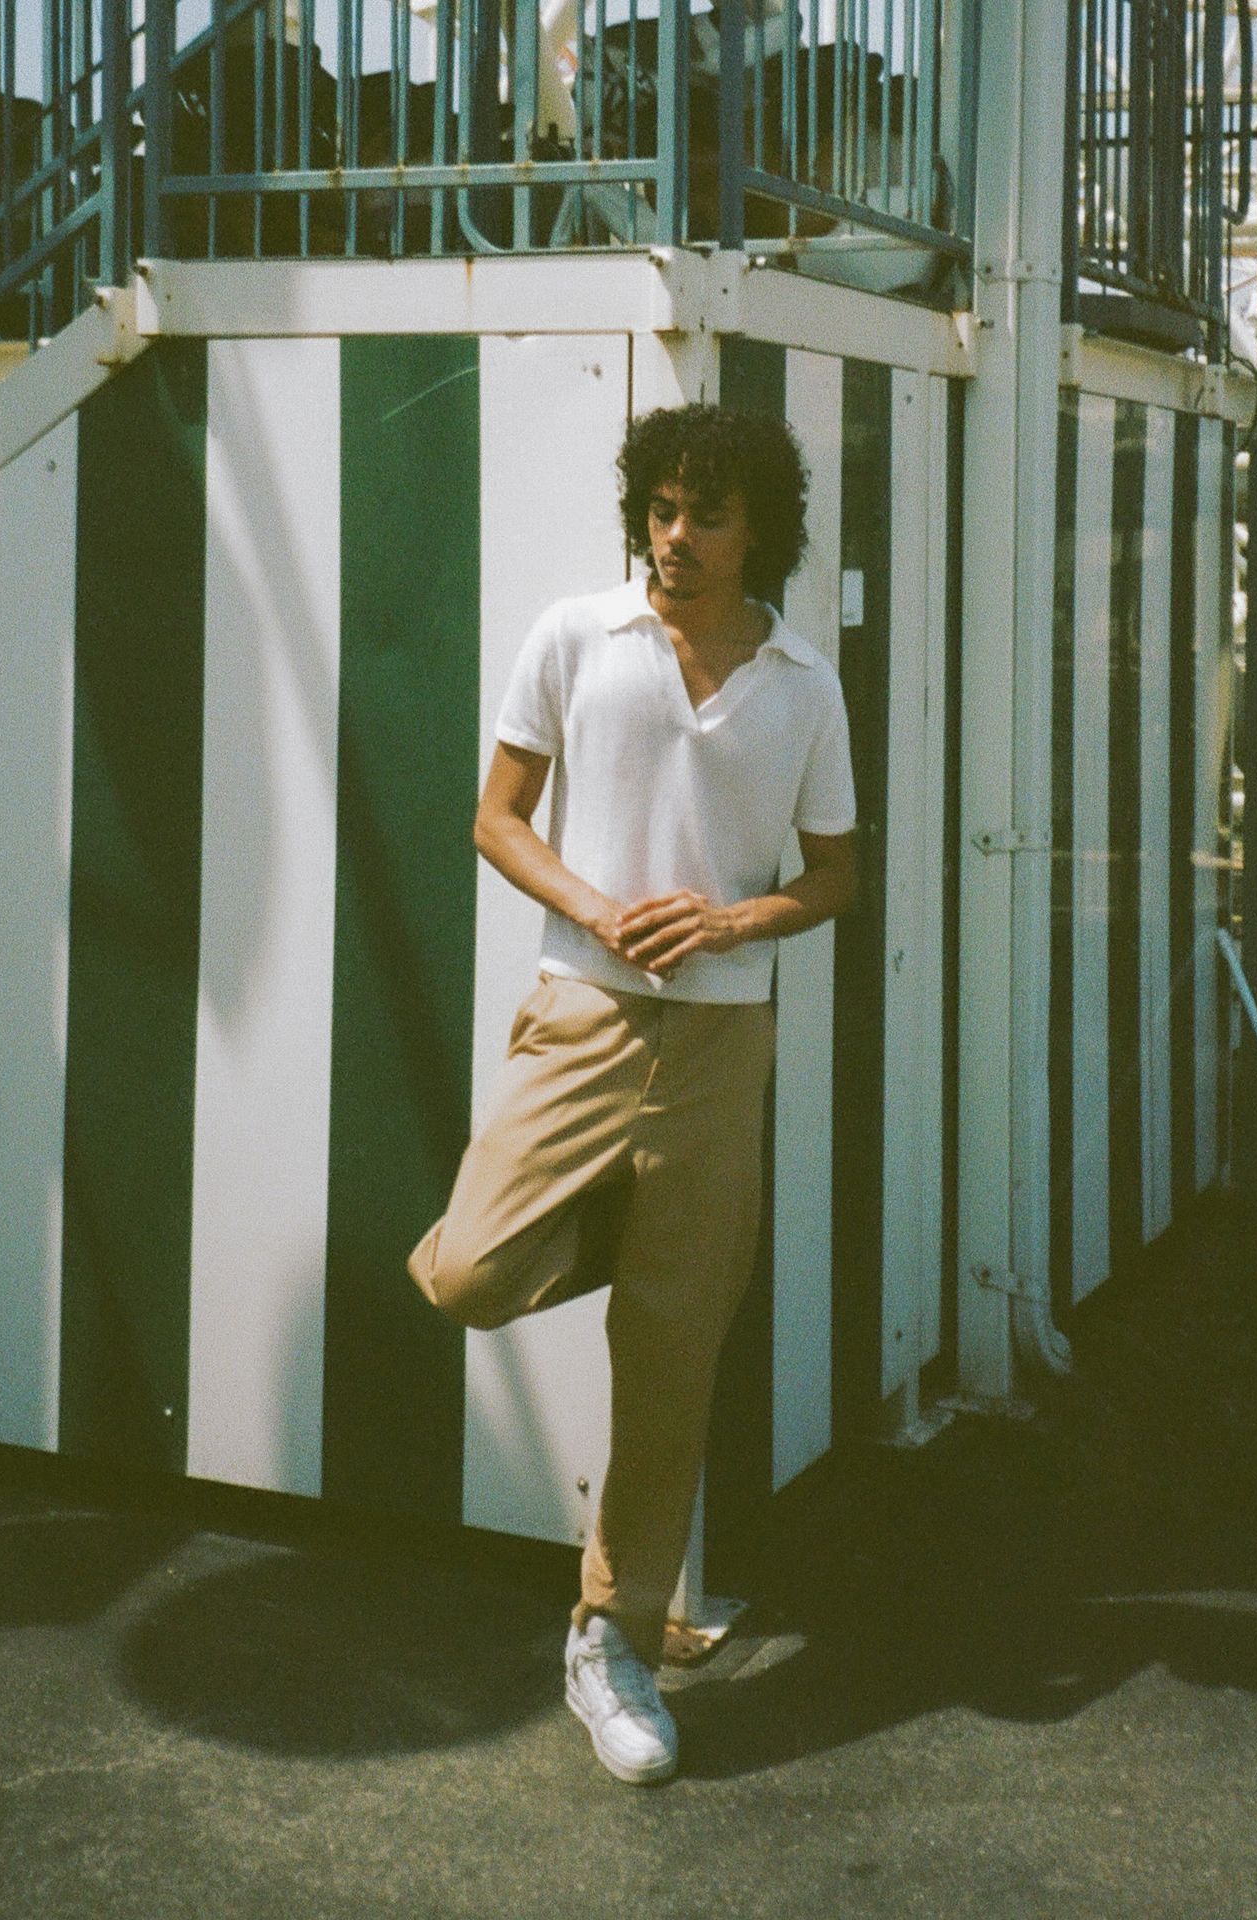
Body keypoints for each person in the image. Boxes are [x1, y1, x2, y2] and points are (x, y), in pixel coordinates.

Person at [407, 401, 858, 1785]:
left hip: (723, 1046)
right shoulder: (571, 638)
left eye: (704, 516)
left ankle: (613, 1636)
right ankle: (646, 1239)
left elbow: (836, 876)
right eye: (661, 510)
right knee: (470, 1271)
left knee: (672, 1358)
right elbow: (495, 817)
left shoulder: (800, 679)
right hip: (586, 1018)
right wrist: (601, 912)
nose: (675, 539)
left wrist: (730, 924)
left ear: (755, 529)